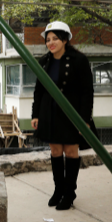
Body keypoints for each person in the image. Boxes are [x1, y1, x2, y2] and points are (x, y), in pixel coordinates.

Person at [31, 21, 94, 211]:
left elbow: (87, 91)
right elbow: (38, 91)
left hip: (71, 113)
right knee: (56, 152)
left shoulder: (79, 60)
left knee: (71, 152)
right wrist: (35, 114)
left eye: (55, 39)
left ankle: (69, 193)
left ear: (65, 39)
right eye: (48, 40)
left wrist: (84, 119)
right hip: (49, 113)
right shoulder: (44, 62)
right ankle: (58, 190)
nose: (50, 43)